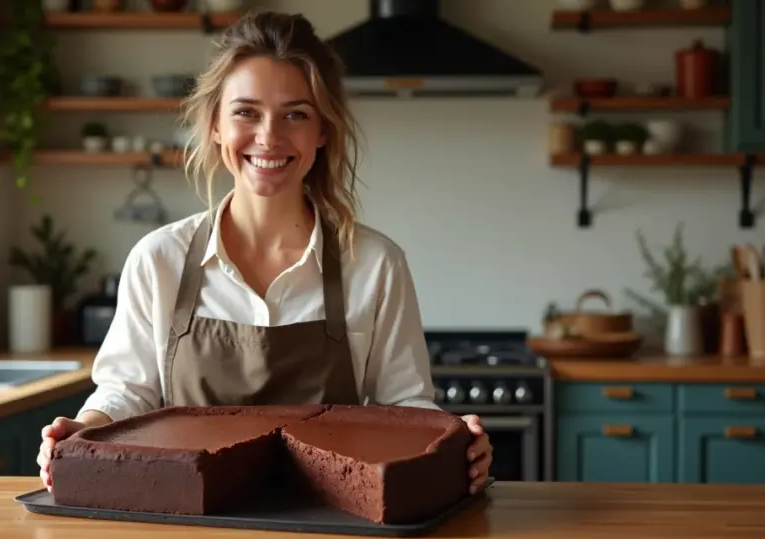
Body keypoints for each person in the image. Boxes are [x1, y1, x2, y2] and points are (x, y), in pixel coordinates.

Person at [37, 9, 492, 495]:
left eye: (295, 114)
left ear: (322, 131)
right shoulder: (159, 259)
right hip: (191, 522)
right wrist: (83, 428)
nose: (268, 137)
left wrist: (453, 444)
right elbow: (128, 390)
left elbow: (405, 405)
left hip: (332, 522)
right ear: (214, 124)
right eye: (246, 112)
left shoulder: (375, 265)